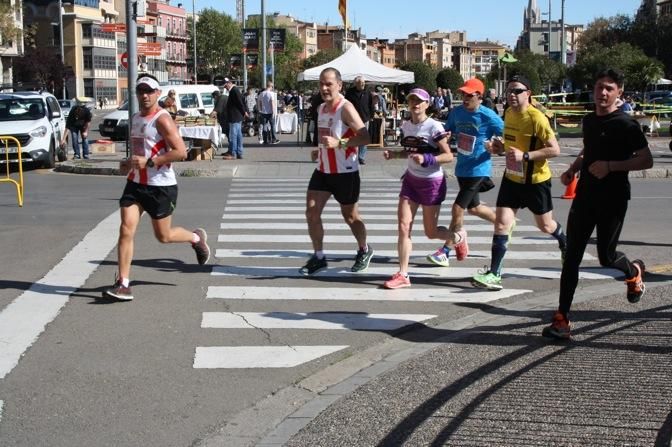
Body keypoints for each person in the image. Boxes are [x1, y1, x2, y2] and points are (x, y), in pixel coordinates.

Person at [542, 68, 653, 340]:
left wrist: (611, 167)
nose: (603, 93)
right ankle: (562, 319)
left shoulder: (627, 125)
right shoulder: (590, 121)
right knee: (572, 258)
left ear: (619, 93)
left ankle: (634, 271)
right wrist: (573, 168)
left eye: (609, 88)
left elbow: (646, 160)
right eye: (599, 87)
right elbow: (588, 149)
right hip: (585, 197)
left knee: (606, 256)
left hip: (613, 199)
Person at [103, 75, 211, 301]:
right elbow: (139, 150)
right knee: (126, 229)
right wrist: (128, 163)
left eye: (149, 91)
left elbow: (181, 152)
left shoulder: (163, 119)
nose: (144, 95)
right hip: (135, 183)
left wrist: (150, 162)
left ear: (158, 93)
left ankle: (195, 238)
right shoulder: (135, 118)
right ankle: (123, 283)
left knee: (163, 236)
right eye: (140, 91)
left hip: (160, 186)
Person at [471, 74, 567, 291]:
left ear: (528, 93)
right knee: (502, 223)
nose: (512, 95)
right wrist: (499, 148)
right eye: (509, 91)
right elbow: (510, 145)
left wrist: (525, 156)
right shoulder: (508, 113)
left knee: (545, 225)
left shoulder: (537, 118)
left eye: (517, 91)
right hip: (512, 178)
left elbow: (555, 149)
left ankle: (564, 241)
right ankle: (494, 274)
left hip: (535, 181)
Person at [300, 67, 373, 276]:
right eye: (321, 83)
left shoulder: (346, 108)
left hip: (345, 172)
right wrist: (319, 149)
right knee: (312, 212)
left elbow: (366, 137)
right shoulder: (321, 108)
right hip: (323, 170)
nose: (324, 88)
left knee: (351, 217)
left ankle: (364, 249)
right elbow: (327, 137)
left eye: (329, 84)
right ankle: (319, 257)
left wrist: (339, 143)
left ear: (339, 85)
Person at [427, 78, 503, 267]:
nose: (465, 98)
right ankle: (504, 224)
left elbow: (508, 137)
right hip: (462, 167)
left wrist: (496, 145)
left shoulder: (488, 116)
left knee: (458, 208)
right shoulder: (457, 112)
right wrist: (444, 135)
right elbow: (446, 131)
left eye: (469, 95)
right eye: (463, 94)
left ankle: (445, 250)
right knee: (474, 208)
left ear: (479, 96)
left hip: (479, 167)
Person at [382, 88, 454, 289]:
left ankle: (456, 237)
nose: (415, 104)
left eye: (419, 101)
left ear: (427, 104)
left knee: (430, 232)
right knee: (404, 226)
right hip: (411, 181)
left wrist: (427, 158)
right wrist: (394, 155)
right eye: (412, 99)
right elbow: (410, 151)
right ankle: (403, 274)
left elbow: (448, 156)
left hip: (432, 182)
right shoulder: (406, 125)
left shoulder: (434, 127)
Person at [345, 76, 374, 165]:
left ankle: (361, 157)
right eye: (361, 83)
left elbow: (371, 104)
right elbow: (346, 104)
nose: (363, 85)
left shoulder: (367, 92)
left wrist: (371, 115)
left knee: (364, 138)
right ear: (356, 84)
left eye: (363, 83)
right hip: (353, 119)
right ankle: (351, 154)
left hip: (365, 118)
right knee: (351, 137)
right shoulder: (350, 93)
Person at [222, 77, 247, 160]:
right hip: (237, 116)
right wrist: (244, 112)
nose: (225, 88)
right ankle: (239, 152)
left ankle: (233, 153)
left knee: (233, 135)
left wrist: (244, 112)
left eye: (226, 86)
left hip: (234, 117)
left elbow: (240, 102)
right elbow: (241, 101)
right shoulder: (235, 90)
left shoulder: (234, 90)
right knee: (238, 135)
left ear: (229, 83)